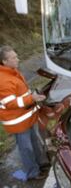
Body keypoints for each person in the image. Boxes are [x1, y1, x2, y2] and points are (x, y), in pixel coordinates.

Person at [0, 46, 49, 180]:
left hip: (26, 117)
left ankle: (41, 164)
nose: (18, 59)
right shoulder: (3, 80)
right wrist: (31, 98)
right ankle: (33, 172)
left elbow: (21, 93)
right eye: (14, 58)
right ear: (4, 61)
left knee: (34, 142)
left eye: (16, 56)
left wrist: (33, 97)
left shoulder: (12, 72)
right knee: (26, 148)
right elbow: (10, 103)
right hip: (18, 121)